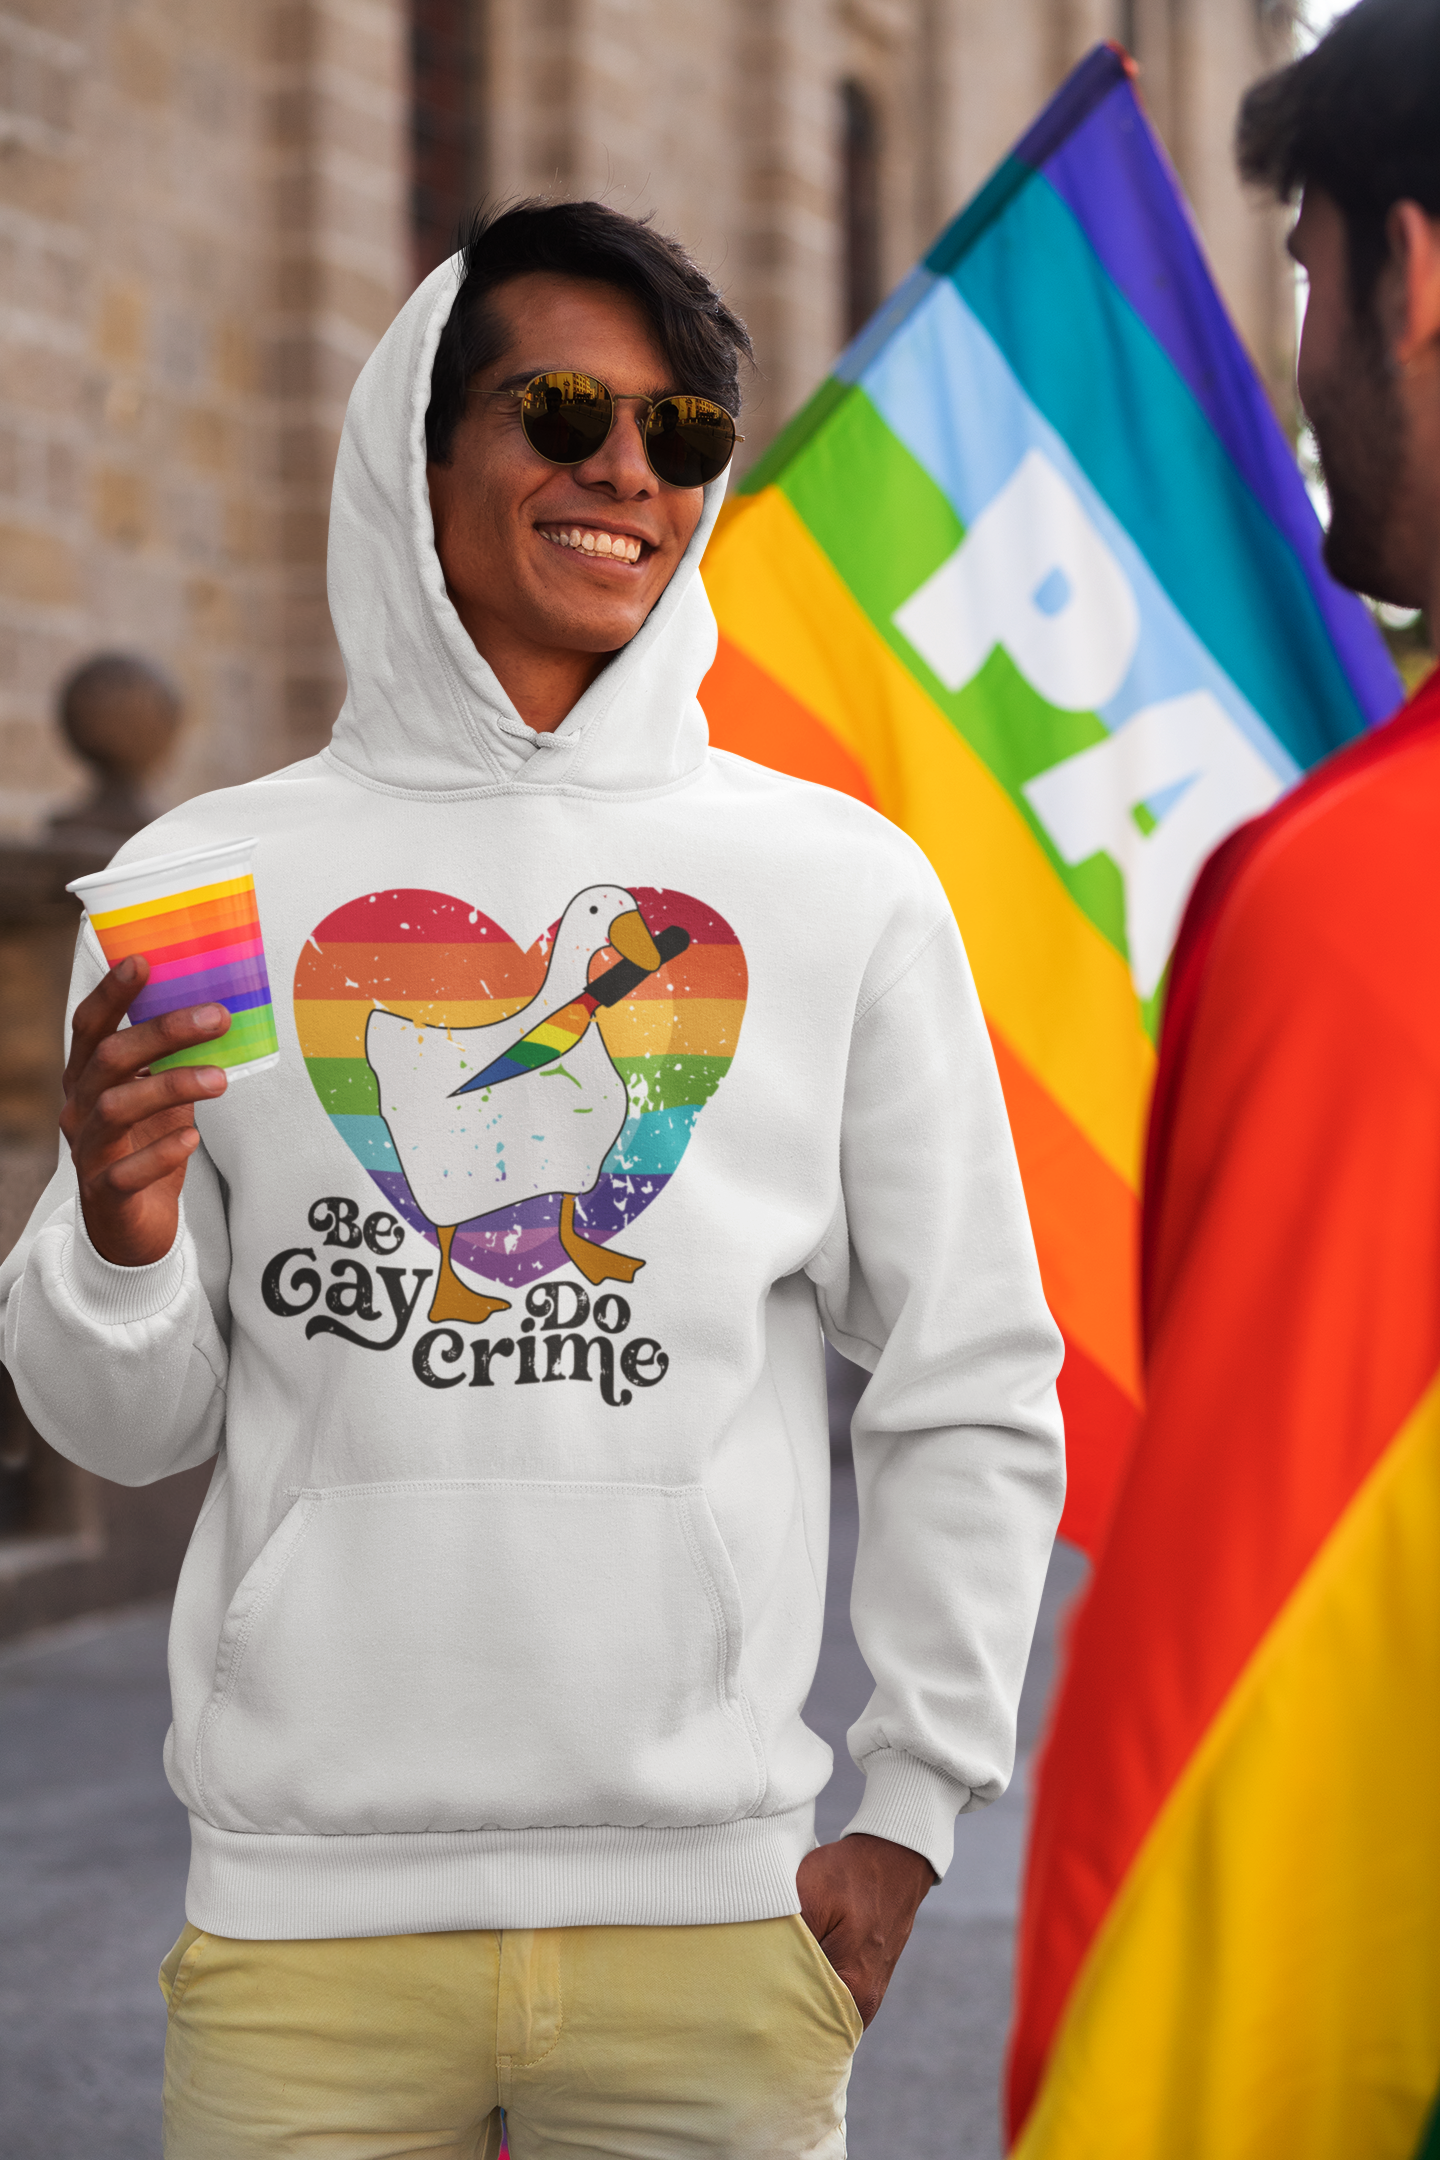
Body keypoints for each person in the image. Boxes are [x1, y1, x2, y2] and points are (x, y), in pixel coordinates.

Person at [0, 201, 1065, 2160]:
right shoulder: (198, 889)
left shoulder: (836, 890)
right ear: (418, 438)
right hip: (303, 1949)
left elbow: (971, 1373)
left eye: (677, 436)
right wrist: (122, 1240)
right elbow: (126, 1429)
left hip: (712, 1933)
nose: (623, 471)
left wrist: (912, 1812)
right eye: (563, 406)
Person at [1008, 0, 1440, 2146]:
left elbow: (1228, 1776)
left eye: (1303, 272)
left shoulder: (1373, 903)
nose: (1300, 371)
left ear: (1412, 274)